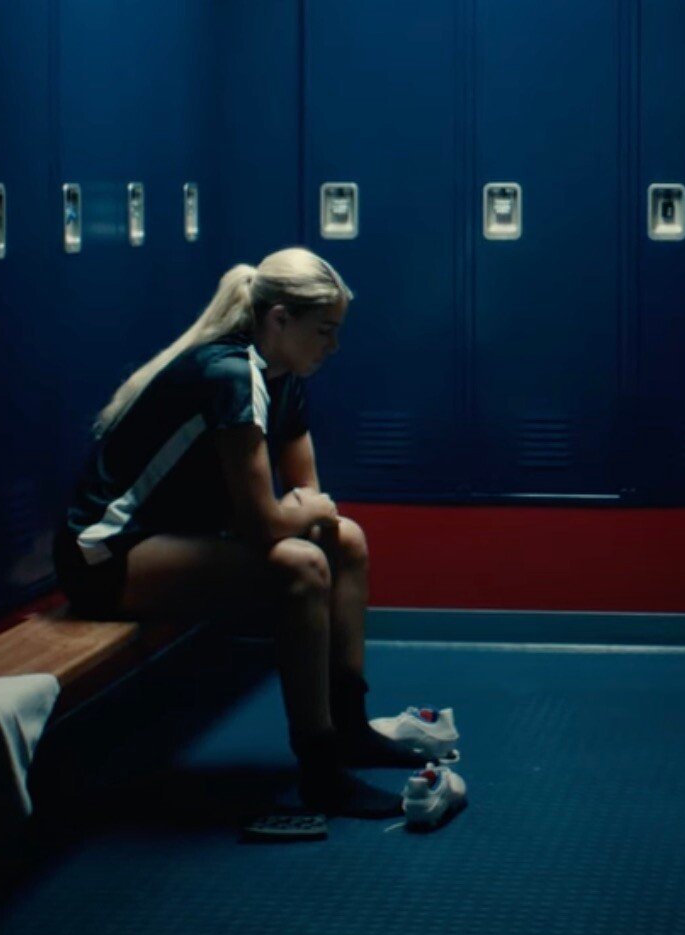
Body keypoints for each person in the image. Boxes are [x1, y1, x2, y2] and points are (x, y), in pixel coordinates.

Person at [52, 247, 416, 817]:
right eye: (324, 331)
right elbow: (267, 521)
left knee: (345, 540)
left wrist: (306, 509)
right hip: (105, 556)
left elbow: (314, 506)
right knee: (302, 566)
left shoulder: (284, 376)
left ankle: (349, 728)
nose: (333, 346)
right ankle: (321, 769)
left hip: (178, 543)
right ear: (279, 321)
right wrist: (302, 509)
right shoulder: (230, 373)